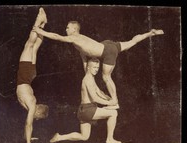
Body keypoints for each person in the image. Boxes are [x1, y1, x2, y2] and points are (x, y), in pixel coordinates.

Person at [32, 18, 164, 108]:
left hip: (107, 51)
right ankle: (150, 33)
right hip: (106, 44)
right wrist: (87, 76)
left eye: (67, 27)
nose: (65, 29)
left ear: (74, 29)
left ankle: (115, 100)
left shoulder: (74, 37)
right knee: (131, 42)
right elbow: (84, 59)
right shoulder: (79, 41)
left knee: (106, 77)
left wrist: (40, 31)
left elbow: (57, 37)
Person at [49, 58, 121, 143]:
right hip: (88, 109)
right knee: (113, 113)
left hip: (83, 111)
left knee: (84, 136)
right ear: (88, 67)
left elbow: (99, 92)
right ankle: (109, 139)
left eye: (97, 68)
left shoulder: (91, 78)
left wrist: (109, 98)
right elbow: (94, 98)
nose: (96, 70)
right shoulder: (87, 80)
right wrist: (110, 103)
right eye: (94, 67)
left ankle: (60, 137)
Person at [16, 8, 49, 143]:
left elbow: (29, 126)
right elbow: (28, 124)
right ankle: (38, 20)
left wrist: (27, 137)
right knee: (29, 46)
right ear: (38, 111)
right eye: (37, 117)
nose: (35, 118)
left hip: (29, 77)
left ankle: (42, 25)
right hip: (25, 77)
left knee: (33, 48)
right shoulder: (31, 104)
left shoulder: (32, 103)